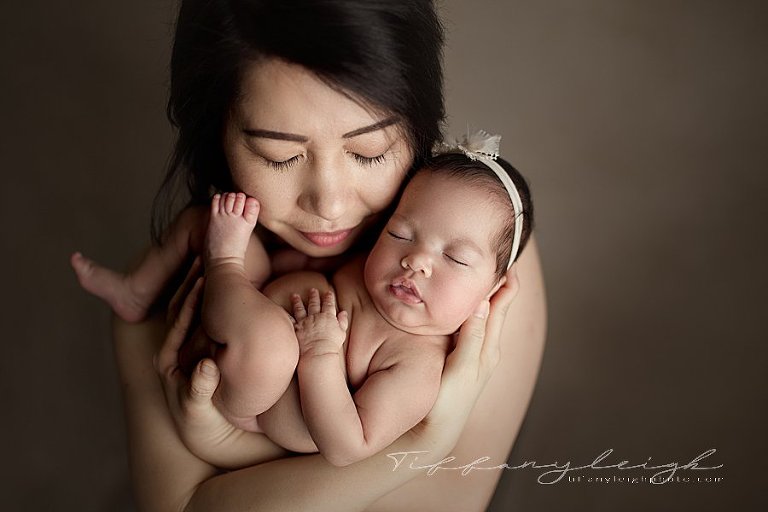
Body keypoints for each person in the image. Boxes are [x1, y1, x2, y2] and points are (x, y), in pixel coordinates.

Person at [109, 1, 546, 510]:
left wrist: (425, 443)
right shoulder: (162, 292)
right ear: (215, 138)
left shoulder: (476, 253)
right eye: (281, 156)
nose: (330, 204)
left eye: (369, 151)